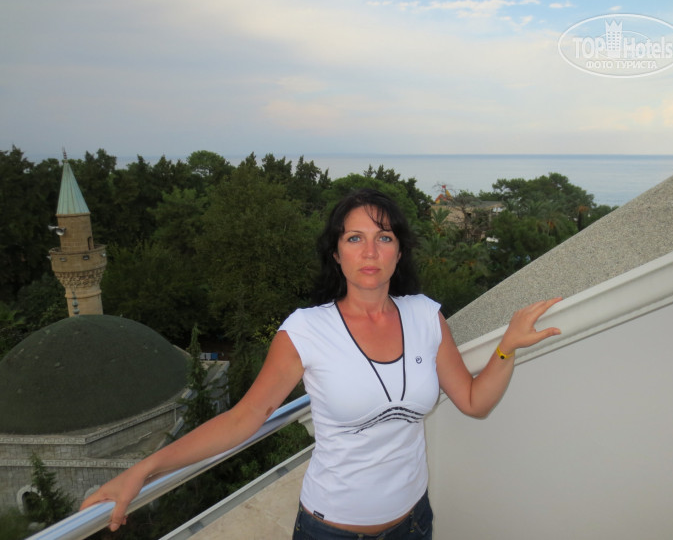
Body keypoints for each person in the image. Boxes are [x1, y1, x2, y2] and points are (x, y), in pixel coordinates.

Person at [82, 188, 561, 539]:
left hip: (413, 523)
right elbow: (243, 418)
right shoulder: (306, 331)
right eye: (355, 238)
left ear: (399, 251)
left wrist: (508, 346)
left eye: (383, 237)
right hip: (331, 530)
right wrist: (144, 470)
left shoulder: (425, 315)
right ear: (336, 253)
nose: (370, 251)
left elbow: (474, 401)